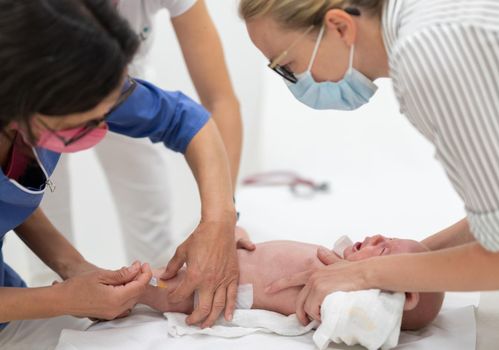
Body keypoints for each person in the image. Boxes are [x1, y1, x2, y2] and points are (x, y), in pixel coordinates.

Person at [237, 0, 499, 325]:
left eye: (286, 66)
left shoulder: (429, 52)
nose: (292, 82)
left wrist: (367, 274)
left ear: (340, 26)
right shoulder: (429, 21)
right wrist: (402, 259)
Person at [0, 0, 239, 346]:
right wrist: (62, 299)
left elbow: (187, 121)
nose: (103, 126)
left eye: (107, 112)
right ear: (21, 106)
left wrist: (219, 220)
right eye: (84, 122)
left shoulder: (76, 85)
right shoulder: (44, 92)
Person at [33, 0, 242, 285]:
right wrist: (67, 273)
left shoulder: (122, 96)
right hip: (35, 93)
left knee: (156, 250)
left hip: (119, 89)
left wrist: (222, 217)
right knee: (37, 201)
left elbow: (213, 104)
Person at [141, 229, 444, 331]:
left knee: (151, 285)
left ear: (402, 298)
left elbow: (356, 322)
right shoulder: (339, 265)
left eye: (384, 248)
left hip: (215, 291)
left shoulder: (349, 299)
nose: (375, 236)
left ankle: (131, 293)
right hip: (232, 256)